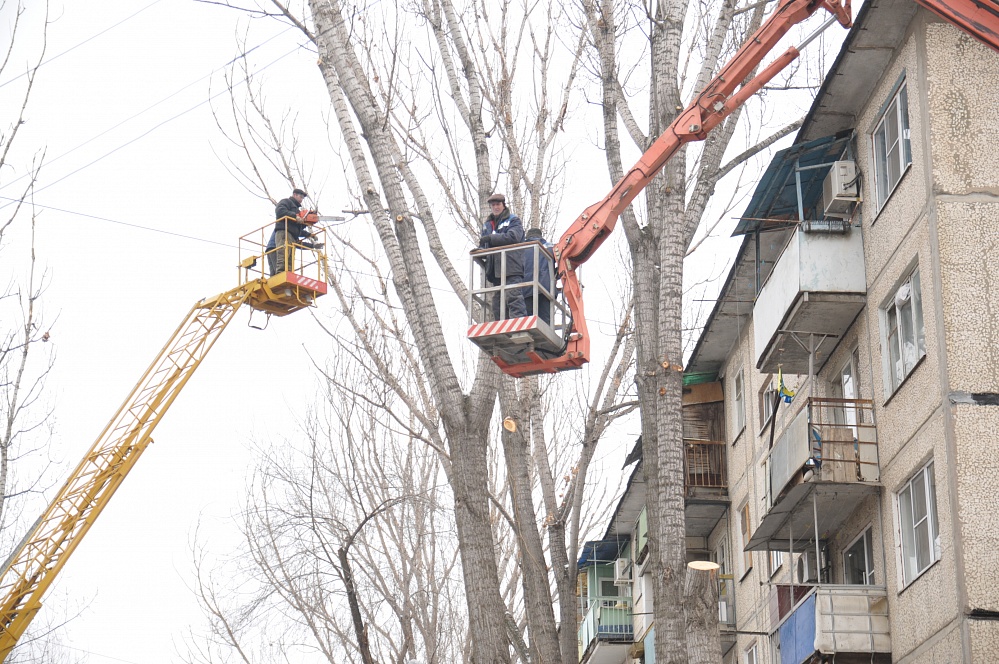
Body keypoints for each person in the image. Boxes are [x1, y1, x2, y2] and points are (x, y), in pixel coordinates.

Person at [479, 192, 527, 320]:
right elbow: (485, 243)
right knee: (498, 302)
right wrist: (480, 250)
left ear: (503, 205)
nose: (496, 207)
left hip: (511, 266)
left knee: (514, 296)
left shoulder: (513, 220)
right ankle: (503, 325)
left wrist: (491, 238)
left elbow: (513, 237)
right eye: (493, 205)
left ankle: (519, 325)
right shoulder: (488, 225)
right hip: (496, 271)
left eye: (498, 204)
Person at [267, 188, 318, 275]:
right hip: (281, 236)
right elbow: (280, 210)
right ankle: (281, 274)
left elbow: (297, 230)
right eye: (300, 197)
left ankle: (287, 274)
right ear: (294, 195)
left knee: (289, 258)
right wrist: (295, 216)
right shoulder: (286, 202)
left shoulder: (295, 216)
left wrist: (309, 232)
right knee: (283, 254)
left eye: (303, 198)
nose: (301, 199)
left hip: (289, 235)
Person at [521, 227, 554, 324]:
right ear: (540, 236)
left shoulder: (520, 247)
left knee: (527, 322)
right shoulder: (551, 247)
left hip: (525, 288)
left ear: (528, 236)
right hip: (546, 289)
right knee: (545, 322)